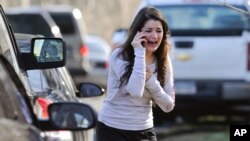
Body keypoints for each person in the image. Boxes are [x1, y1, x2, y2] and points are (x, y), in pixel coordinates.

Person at [96, 6, 175, 141]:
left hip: (144, 130)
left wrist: (151, 82)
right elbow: (135, 90)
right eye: (149, 31)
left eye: (159, 31)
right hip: (113, 129)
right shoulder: (119, 56)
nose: (154, 36)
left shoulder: (163, 60)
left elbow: (168, 106)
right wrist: (139, 51)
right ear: (138, 33)